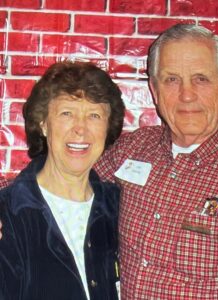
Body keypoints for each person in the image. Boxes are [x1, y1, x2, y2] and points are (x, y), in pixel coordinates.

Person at [93, 24, 218, 299]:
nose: (186, 94)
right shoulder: (133, 148)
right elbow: (62, 179)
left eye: (201, 79)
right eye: (171, 80)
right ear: (154, 90)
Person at [0, 61, 125, 300]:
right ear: (43, 124)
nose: (81, 129)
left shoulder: (120, 207)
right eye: (67, 113)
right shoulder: (8, 215)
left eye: (94, 115)